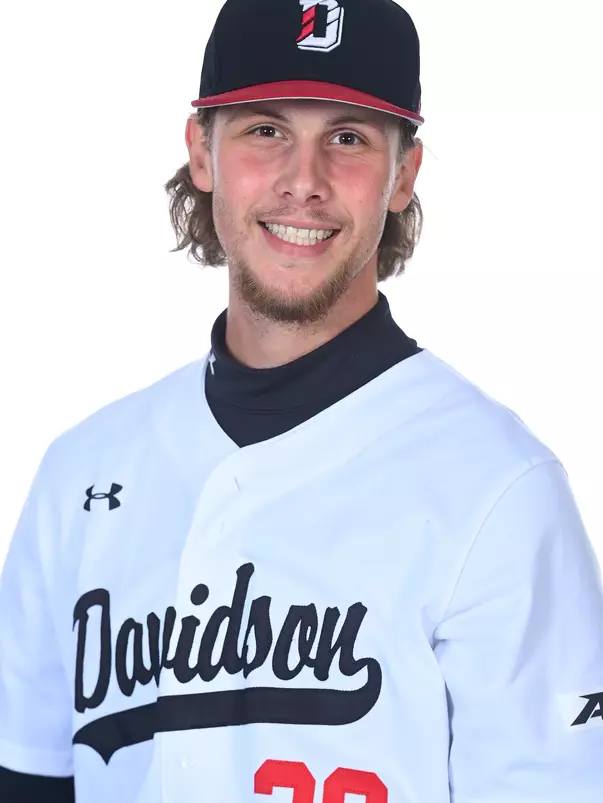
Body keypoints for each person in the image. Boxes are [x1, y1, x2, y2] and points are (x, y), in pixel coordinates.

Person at [1, 0, 602, 801]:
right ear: (202, 151)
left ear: (403, 174)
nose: (304, 181)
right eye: (266, 130)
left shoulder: (499, 489)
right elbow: (29, 777)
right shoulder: (80, 472)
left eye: (347, 138)